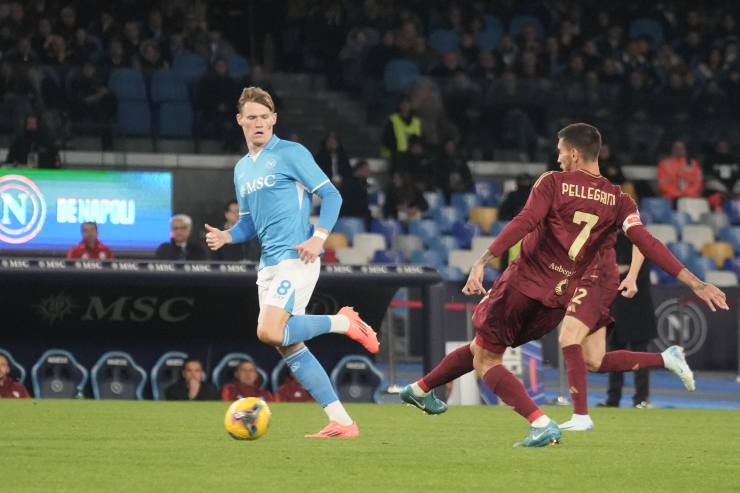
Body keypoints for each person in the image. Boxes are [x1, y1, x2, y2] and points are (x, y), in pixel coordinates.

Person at [400, 123, 727, 446]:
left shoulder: (553, 183)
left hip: (521, 283)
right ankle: (420, 390)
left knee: (487, 359)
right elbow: (649, 242)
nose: (557, 160)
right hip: (555, 299)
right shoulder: (619, 200)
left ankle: (540, 422)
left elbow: (524, 221)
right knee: (483, 349)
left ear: (573, 153)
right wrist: (695, 283)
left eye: (559, 153)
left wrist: (483, 260)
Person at [204, 86, 380, 438]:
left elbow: (331, 194)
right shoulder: (242, 169)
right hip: (268, 265)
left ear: (274, 120)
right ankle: (342, 422)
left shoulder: (290, 153)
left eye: (265, 117)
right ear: (240, 120)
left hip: (296, 257)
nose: (258, 123)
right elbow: (249, 223)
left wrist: (319, 238)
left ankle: (343, 323)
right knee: (285, 343)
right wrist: (227, 236)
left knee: (267, 330)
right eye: (251, 117)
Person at [599, 234, 656, 408]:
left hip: (637, 308)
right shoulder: (611, 241)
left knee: (639, 354)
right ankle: (615, 398)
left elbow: (619, 269)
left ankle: (640, 398)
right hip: (617, 307)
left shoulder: (638, 241)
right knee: (615, 354)